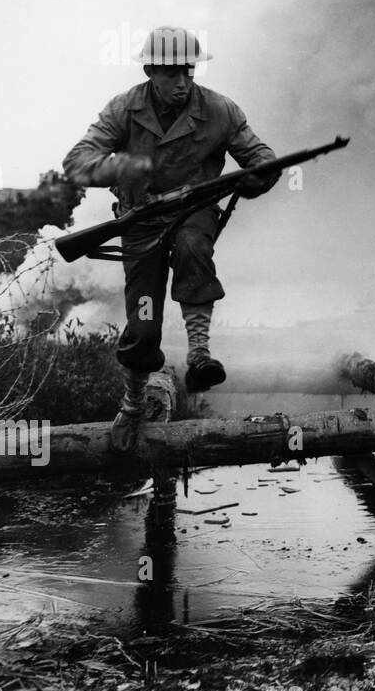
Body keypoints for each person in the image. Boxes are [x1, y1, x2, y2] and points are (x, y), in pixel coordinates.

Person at [63, 27, 279, 449]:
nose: (182, 82)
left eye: (188, 71)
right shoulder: (123, 108)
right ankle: (132, 403)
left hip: (193, 213)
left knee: (194, 246)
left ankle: (199, 356)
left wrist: (256, 178)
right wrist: (125, 167)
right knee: (143, 326)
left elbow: (262, 158)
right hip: (140, 222)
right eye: (171, 73)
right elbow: (77, 162)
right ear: (150, 71)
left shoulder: (220, 110)